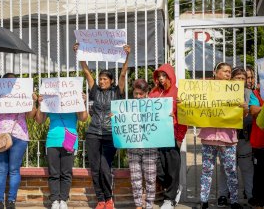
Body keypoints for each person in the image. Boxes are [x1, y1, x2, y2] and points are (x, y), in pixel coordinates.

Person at [73, 43, 130, 209]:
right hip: (93, 133)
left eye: (105, 79)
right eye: (100, 79)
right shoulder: (95, 90)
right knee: (95, 168)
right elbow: (86, 71)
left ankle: (109, 198)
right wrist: (80, 54)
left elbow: (124, 74)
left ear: (111, 81)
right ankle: (101, 200)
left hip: (110, 133)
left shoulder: (116, 91)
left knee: (105, 168)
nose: (101, 81)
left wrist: (127, 56)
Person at [0, 73, 37, 209]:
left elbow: (30, 116)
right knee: (2, 170)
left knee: (12, 170)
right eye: (7, 82)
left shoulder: (22, 95)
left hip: (18, 135)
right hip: (1, 136)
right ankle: (0, 201)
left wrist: (33, 101)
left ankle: (10, 201)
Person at [198, 63, 245, 209]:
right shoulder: (205, 89)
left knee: (231, 170)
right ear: (215, 72)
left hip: (228, 138)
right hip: (209, 137)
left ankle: (234, 201)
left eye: (229, 72)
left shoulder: (235, 91)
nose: (228, 74)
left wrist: (245, 108)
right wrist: (185, 103)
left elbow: (241, 115)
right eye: (224, 71)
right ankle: (204, 200)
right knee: (207, 170)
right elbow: (195, 104)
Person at [35, 91, 88, 209]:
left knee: (66, 172)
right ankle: (55, 200)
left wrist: (82, 102)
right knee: (54, 173)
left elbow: (83, 118)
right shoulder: (51, 102)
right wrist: (40, 104)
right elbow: (39, 120)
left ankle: (63, 200)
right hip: (52, 140)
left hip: (70, 140)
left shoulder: (74, 102)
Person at [148, 64, 187, 209]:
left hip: (172, 135)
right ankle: (172, 188)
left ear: (171, 76)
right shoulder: (153, 93)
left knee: (172, 168)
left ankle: (169, 198)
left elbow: (184, 118)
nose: (161, 79)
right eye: (159, 76)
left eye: (164, 76)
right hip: (157, 136)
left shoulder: (178, 93)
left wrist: (179, 137)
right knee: (158, 168)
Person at [217, 67, 254, 206]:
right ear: (232, 79)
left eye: (243, 78)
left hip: (244, 137)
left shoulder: (250, 94)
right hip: (226, 137)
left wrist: (247, 109)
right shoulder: (223, 91)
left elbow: (255, 112)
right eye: (237, 78)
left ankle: (250, 195)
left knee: (246, 167)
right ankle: (222, 195)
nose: (240, 80)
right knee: (225, 168)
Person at [126, 79, 158, 209]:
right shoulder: (128, 106)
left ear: (146, 93)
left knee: (150, 179)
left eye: (141, 94)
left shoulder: (155, 105)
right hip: (133, 147)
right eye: (135, 94)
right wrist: (115, 116)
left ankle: (149, 205)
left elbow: (160, 122)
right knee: (135, 179)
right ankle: (138, 205)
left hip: (150, 148)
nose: (138, 97)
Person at [248, 66, 264, 209]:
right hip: (259, 142)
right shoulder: (255, 93)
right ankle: (259, 201)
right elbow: (252, 110)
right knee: (260, 175)